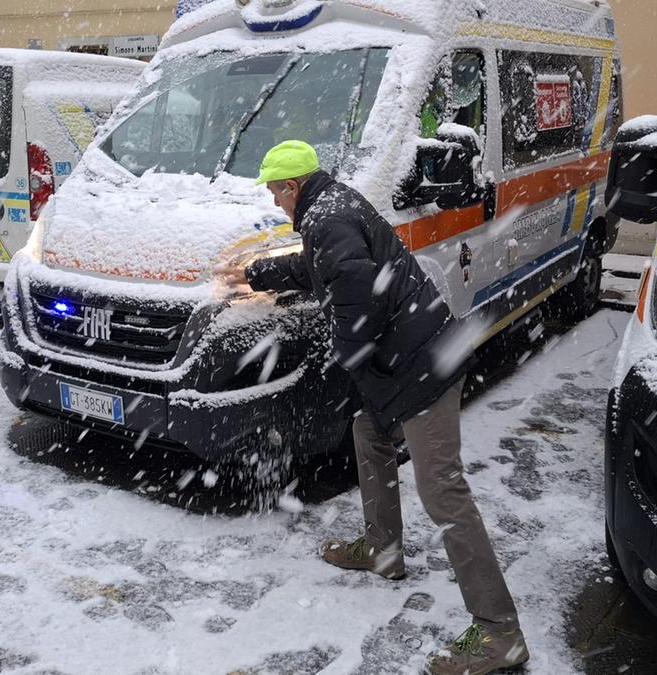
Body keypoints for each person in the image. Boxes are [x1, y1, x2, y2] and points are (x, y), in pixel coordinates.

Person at [215, 141, 528, 675]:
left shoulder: (327, 217)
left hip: (421, 370)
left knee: (442, 491)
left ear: (292, 187)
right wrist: (262, 274)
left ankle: (501, 632)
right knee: (369, 434)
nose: (273, 203)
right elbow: (325, 268)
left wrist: (347, 357)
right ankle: (383, 550)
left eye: (274, 192)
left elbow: (358, 290)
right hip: (408, 360)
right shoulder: (332, 206)